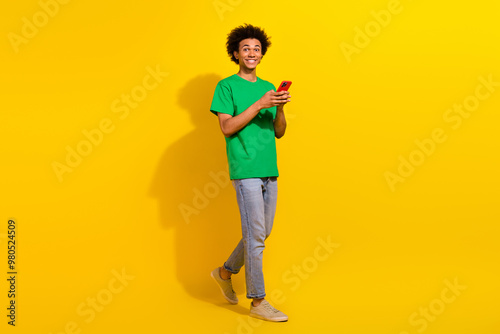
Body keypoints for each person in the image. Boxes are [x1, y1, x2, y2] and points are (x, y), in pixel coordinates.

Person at [209, 23, 291, 322]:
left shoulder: (268, 88)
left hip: (270, 169)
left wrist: (279, 107)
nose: (252, 53)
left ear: (261, 53)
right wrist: (260, 104)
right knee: (256, 236)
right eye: (246, 48)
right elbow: (227, 127)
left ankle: (224, 272)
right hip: (245, 171)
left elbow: (279, 132)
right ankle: (258, 302)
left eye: (257, 48)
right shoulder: (227, 86)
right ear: (236, 53)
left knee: (261, 232)